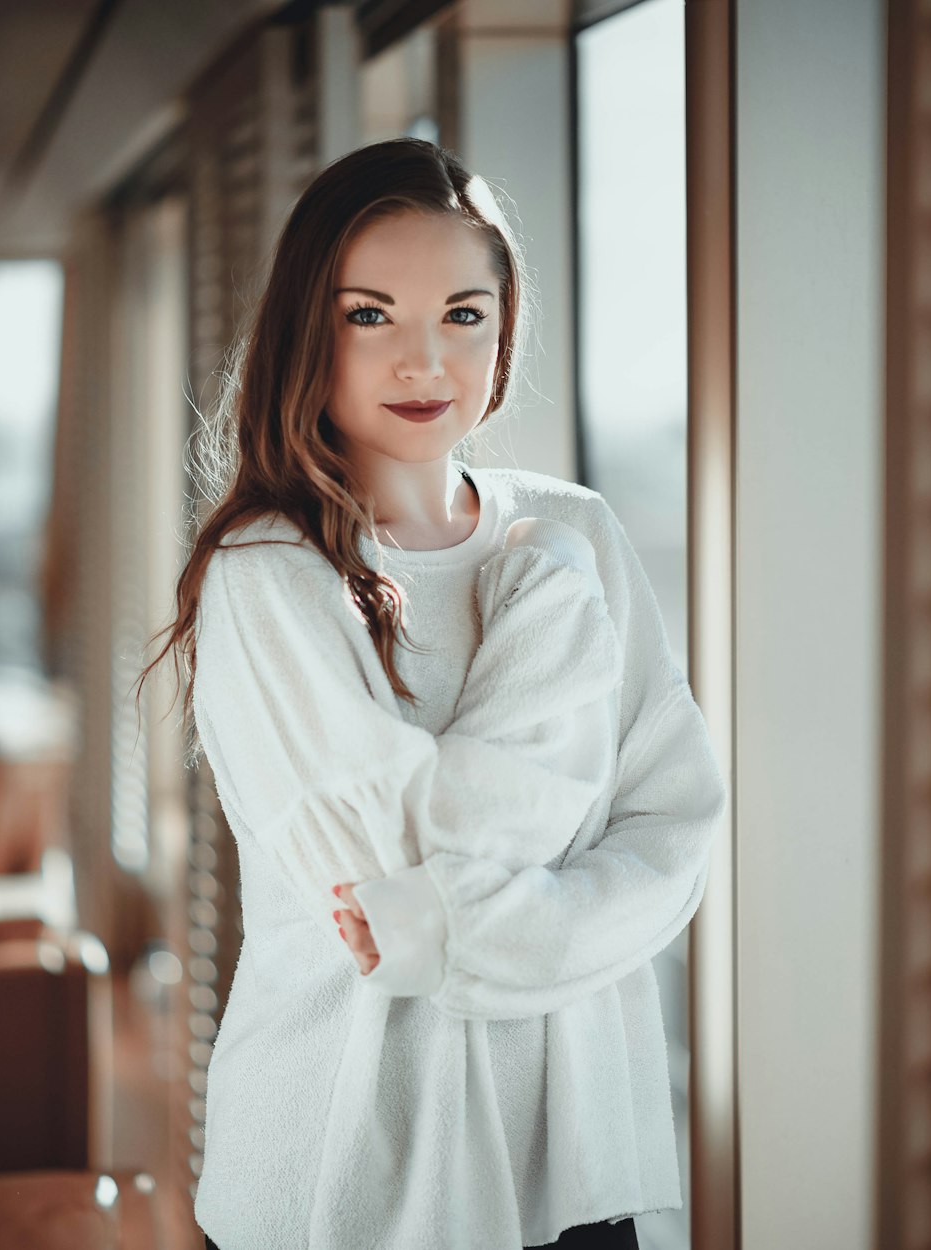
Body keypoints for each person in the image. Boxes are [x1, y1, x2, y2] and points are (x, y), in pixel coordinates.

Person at [138, 137, 728, 1250]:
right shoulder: (268, 571)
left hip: (574, 1160)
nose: (425, 358)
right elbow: (398, 856)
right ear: (309, 330)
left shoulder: (577, 532)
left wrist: (445, 927)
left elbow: (675, 828)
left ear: (504, 330)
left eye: (463, 313)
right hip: (345, 1170)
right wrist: (549, 622)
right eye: (372, 315)